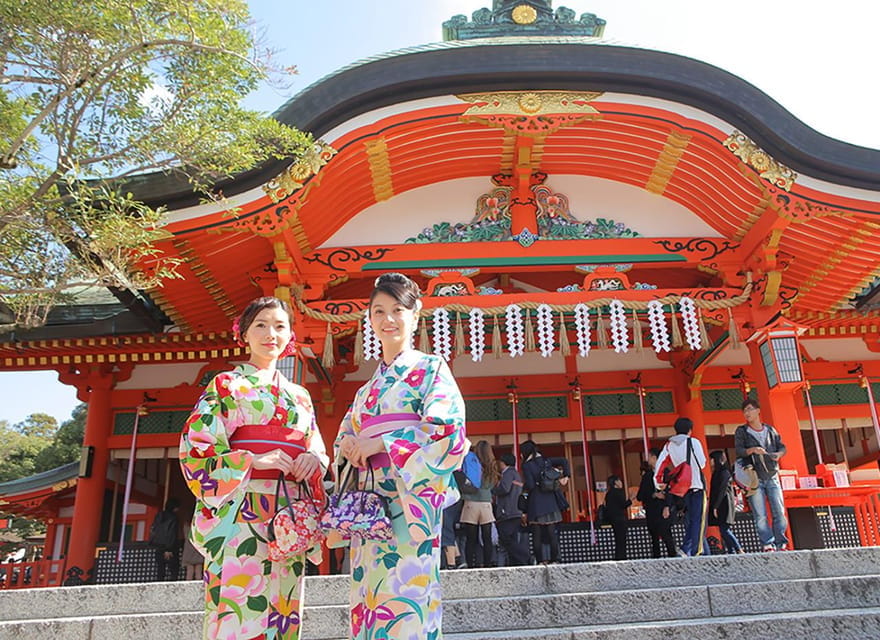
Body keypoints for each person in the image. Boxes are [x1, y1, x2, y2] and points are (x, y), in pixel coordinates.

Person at [180, 296, 328, 640]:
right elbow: (196, 448)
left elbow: (315, 445)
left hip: (288, 515)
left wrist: (314, 460)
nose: (270, 334)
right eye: (260, 325)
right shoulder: (226, 385)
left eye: (279, 326)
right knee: (239, 604)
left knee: (285, 605)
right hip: (241, 508)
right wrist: (250, 460)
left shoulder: (300, 396)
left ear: (290, 336)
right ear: (243, 334)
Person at [335, 273, 466, 640]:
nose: (387, 319)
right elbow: (346, 436)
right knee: (369, 593)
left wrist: (382, 443)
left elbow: (446, 430)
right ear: (370, 318)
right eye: (378, 311)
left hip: (410, 499)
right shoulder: (367, 389)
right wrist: (347, 447)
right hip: (369, 503)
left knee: (408, 593)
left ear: (415, 314)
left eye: (397, 309)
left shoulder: (431, 369)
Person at [735, 398, 789, 551]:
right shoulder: (742, 431)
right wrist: (752, 450)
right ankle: (767, 543)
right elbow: (739, 451)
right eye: (745, 411)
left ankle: (781, 542)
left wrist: (778, 454)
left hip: (772, 474)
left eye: (750, 409)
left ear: (758, 411)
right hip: (754, 477)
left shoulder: (770, 430)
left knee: (779, 510)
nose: (747, 413)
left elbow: (782, 446)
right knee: (760, 514)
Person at [654, 417, 707, 556]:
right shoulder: (693, 442)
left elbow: (660, 464)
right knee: (698, 520)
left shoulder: (669, 445)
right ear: (690, 430)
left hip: (682, 489)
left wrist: (658, 483)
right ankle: (697, 551)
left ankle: (685, 549)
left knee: (690, 520)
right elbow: (702, 463)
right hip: (696, 485)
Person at [520, 440, 570, 564]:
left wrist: (523, 486)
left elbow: (530, 485)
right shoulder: (546, 461)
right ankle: (555, 559)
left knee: (536, 535)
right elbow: (564, 461)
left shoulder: (527, 465)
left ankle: (541, 560)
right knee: (552, 533)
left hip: (536, 503)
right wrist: (566, 476)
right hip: (551, 501)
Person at [460, 440, 499, 568]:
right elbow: (493, 485)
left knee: (471, 539)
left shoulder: (472, 463)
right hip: (486, 504)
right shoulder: (492, 466)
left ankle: (471, 566)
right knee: (487, 539)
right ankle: (487, 565)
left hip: (471, 501)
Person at [637, 448, 677, 558]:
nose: (648, 459)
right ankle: (656, 559)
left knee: (666, 534)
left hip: (663, 508)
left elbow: (672, 490)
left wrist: (667, 503)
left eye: (649, 457)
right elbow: (640, 495)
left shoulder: (666, 472)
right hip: (651, 510)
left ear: (654, 458)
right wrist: (652, 495)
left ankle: (673, 556)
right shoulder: (647, 476)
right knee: (654, 537)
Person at [492, 453, 530, 566]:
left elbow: (505, 488)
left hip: (507, 511)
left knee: (505, 539)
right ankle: (517, 562)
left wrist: (493, 490)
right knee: (512, 538)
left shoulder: (508, 473)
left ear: (504, 463)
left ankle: (525, 556)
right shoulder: (516, 474)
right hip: (516, 511)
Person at [708, 450, 743, 554]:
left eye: (712, 459)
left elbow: (722, 490)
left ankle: (738, 548)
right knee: (723, 528)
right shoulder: (718, 472)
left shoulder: (724, 473)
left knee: (724, 529)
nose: (710, 462)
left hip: (724, 503)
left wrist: (715, 506)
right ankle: (731, 550)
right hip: (721, 503)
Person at [149, 497, 180, 581]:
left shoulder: (159, 515)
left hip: (158, 546)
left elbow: (154, 530)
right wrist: (169, 549)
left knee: (160, 569)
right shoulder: (173, 518)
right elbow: (171, 534)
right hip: (169, 547)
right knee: (173, 569)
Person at [603, 475, 633, 561]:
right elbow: (623, 505)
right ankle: (622, 557)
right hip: (619, 519)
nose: (621, 483)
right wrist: (631, 499)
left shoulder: (609, 494)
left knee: (618, 539)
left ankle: (618, 557)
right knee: (621, 540)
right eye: (619, 480)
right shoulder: (618, 492)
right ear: (615, 482)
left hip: (613, 519)